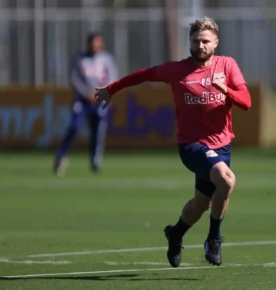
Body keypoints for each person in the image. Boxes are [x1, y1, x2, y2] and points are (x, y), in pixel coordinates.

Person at [95, 17, 251, 267]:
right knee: (226, 179)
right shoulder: (177, 70)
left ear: (216, 43)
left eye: (205, 41)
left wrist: (226, 91)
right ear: (189, 42)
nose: (200, 45)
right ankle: (214, 239)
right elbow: (143, 75)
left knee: (201, 204)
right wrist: (111, 89)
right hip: (192, 145)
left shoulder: (227, 65)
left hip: (221, 146)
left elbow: (246, 101)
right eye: (196, 40)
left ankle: (176, 233)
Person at [53, 32, 118, 176]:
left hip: (100, 101)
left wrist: (103, 93)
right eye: (92, 43)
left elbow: (113, 78)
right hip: (83, 100)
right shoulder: (80, 59)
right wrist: (86, 93)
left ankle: (95, 160)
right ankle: (61, 157)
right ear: (88, 44)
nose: (95, 46)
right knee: (74, 127)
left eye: (97, 43)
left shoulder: (106, 59)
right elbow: (74, 78)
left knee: (98, 131)